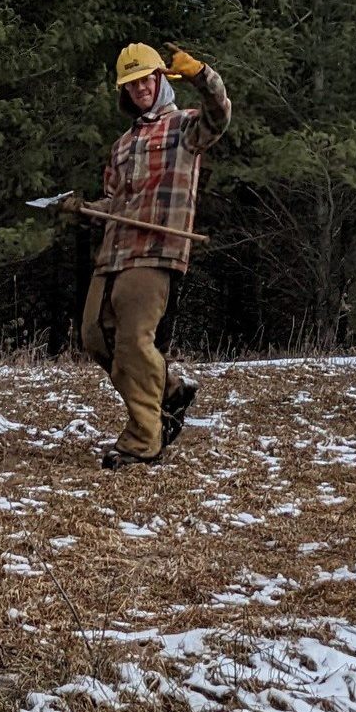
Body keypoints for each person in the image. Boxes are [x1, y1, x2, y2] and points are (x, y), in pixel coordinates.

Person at [72, 42, 230, 467]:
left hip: (157, 251)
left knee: (133, 341)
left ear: (161, 80)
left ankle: (144, 438)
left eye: (147, 79)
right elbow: (114, 204)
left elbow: (220, 113)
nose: (141, 87)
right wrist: (80, 208)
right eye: (132, 83)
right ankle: (171, 391)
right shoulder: (122, 144)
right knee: (94, 336)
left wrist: (200, 73)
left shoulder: (184, 126)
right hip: (115, 252)